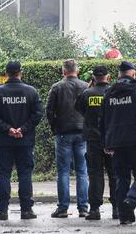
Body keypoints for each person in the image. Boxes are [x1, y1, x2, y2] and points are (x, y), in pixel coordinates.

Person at [100, 61, 136, 225]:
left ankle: (124, 216)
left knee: (121, 178)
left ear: (119, 75)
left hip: (117, 143)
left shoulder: (109, 93)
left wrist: (106, 142)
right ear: (133, 74)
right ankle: (131, 201)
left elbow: (102, 120)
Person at [0, 61, 43, 221]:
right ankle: (26, 210)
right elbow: (38, 114)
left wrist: (8, 129)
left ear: (6, 73)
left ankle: (2, 210)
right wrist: (22, 129)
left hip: (3, 140)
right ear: (20, 72)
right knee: (25, 174)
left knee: (3, 175)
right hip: (25, 141)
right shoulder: (31, 91)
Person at [46, 59, 89, 218]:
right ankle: (83, 207)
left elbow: (49, 111)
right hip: (82, 132)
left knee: (63, 171)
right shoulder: (85, 87)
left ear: (63, 71)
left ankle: (63, 208)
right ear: (77, 71)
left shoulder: (57, 87)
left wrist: (55, 128)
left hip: (63, 132)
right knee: (82, 171)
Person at [75, 66, 117, 221]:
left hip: (93, 140)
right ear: (108, 77)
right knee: (115, 175)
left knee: (95, 175)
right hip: (113, 140)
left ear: (93, 78)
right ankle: (117, 209)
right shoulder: (114, 92)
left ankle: (94, 210)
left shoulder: (87, 93)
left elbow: (79, 109)